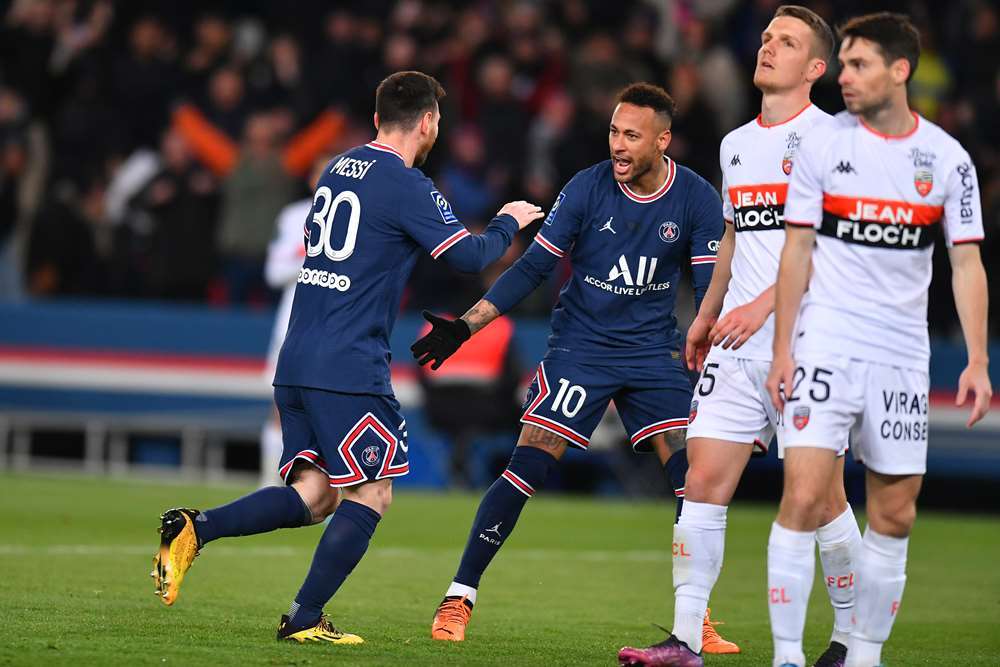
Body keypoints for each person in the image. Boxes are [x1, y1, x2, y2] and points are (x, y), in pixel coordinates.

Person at [150, 70, 544, 645]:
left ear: (377, 116)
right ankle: (305, 616)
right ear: (430, 121)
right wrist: (511, 218)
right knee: (372, 493)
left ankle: (195, 527)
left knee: (316, 495)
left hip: (299, 353)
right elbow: (469, 256)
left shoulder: (339, 166)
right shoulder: (406, 183)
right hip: (349, 360)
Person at [412, 82, 730, 647]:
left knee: (693, 478)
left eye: (632, 135)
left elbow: (710, 286)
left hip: (653, 352)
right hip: (581, 346)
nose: (619, 145)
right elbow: (532, 268)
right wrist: (465, 325)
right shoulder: (586, 188)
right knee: (529, 462)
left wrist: (714, 342)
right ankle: (459, 597)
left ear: (663, 140)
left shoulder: (699, 199)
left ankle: (693, 617)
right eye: (613, 131)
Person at [617, 7, 860, 667]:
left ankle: (851, 642)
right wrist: (706, 309)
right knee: (702, 478)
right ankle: (686, 639)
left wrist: (760, 305)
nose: (768, 46)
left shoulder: (833, 139)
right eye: (765, 36)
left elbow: (832, 248)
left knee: (820, 494)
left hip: (810, 337)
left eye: (787, 42)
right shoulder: (736, 143)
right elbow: (733, 233)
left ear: (815, 68)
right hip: (739, 341)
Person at [764, 13, 991, 667]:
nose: (845, 77)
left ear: (901, 71)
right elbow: (797, 249)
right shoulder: (823, 146)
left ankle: (863, 655)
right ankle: (786, 656)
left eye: (859, 65)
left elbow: (967, 262)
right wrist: (784, 348)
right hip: (828, 340)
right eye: (842, 65)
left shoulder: (947, 160)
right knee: (803, 495)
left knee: (894, 515)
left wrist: (976, 358)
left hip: (901, 354)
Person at [258, 157, 329, 487]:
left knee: (330, 406)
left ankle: (328, 486)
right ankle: (269, 484)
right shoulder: (293, 216)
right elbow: (273, 272)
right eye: (322, 170)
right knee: (281, 405)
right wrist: (316, 263)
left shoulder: (361, 215)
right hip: (292, 320)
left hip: (334, 322)